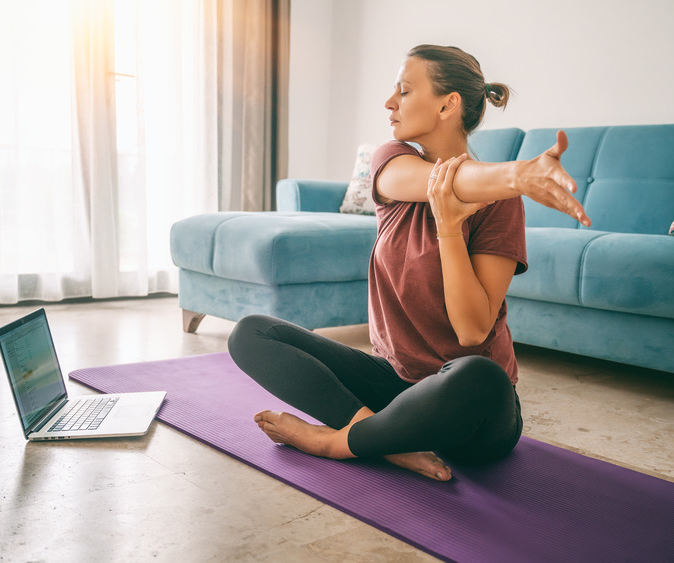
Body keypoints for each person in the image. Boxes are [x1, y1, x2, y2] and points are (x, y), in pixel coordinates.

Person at [228, 44, 590, 482]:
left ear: (447, 104)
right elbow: (446, 181)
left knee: (479, 375)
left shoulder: (500, 206)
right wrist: (517, 175)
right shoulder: (392, 160)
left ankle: (336, 442)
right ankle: (377, 435)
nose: (389, 103)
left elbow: (473, 330)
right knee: (251, 332)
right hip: (394, 385)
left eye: (403, 90)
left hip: (467, 407)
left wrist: (451, 229)